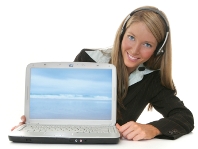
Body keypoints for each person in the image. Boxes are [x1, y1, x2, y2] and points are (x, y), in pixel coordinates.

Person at [12, 6, 194, 141]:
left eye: (147, 44)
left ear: (158, 50)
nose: (135, 49)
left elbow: (185, 117)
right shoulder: (88, 59)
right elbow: (74, 101)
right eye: (131, 37)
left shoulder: (151, 79)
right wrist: (41, 122)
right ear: (122, 34)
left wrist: (152, 128)